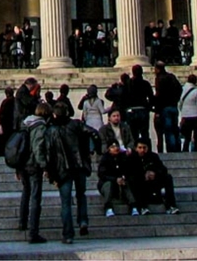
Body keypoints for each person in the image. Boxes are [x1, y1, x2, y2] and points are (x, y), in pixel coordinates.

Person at [44, 101, 96, 244]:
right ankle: (83, 220)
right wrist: (91, 150)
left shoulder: (51, 131)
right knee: (81, 195)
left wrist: (49, 172)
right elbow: (93, 132)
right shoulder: (76, 124)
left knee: (65, 203)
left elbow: (48, 154)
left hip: (63, 169)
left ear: (54, 114)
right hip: (79, 166)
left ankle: (68, 234)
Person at [17, 100, 50, 244]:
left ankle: (22, 222)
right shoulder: (40, 126)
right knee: (36, 197)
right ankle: (33, 232)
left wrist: (17, 166)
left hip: (23, 163)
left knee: (26, 192)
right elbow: (38, 148)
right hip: (33, 165)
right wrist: (44, 166)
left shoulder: (25, 123)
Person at [132, 139, 179, 214]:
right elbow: (130, 172)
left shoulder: (153, 156)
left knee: (168, 177)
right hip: (141, 183)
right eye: (140, 148)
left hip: (154, 181)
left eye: (144, 148)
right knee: (135, 180)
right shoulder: (132, 158)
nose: (142, 150)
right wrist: (143, 175)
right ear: (136, 148)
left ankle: (171, 205)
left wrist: (155, 173)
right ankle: (142, 207)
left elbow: (163, 169)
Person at [97, 140, 139, 217]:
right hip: (108, 182)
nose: (115, 148)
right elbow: (102, 174)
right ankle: (108, 207)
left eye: (117, 146)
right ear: (108, 149)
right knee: (108, 185)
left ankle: (133, 205)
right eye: (112, 147)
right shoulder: (105, 159)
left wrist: (123, 178)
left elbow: (129, 170)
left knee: (127, 183)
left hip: (121, 183)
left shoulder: (123, 157)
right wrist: (115, 179)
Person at [153, 62, 182, 153]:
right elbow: (179, 89)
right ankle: (177, 147)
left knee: (169, 130)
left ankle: (172, 149)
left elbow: (158, 95)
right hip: (173, 106)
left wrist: (157, 110)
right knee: (175, 129)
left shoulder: (159, 79)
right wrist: (175, 100)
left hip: (164, 108)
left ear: (157, 69)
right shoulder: (171, 77)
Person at [125, 65, 153, 144]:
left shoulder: (128, 83)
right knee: (144, 132)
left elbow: (124, 97)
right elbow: (151, 97)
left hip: (131, 110)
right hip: (142, 109)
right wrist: (149, 107)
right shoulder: (145, 84)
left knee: (133, 133)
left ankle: (135, 150)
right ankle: (146, 149)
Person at [178, 74, 197, 152]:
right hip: (196, 116)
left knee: (187, 136)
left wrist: (182, 113)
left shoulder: (182, 90)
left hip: (185, 116)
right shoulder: (196, 91)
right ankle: (196, 150)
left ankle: (185, 150)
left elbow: (179, 104)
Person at [77, 84, 105, 152]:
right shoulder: (99, 101)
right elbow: (102, 111)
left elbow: (84, 114)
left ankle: (91, 150)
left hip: (89, 121)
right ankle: (99, 150)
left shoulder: (85, 102)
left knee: (90, 138)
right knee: (99, 136)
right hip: (98, 121)